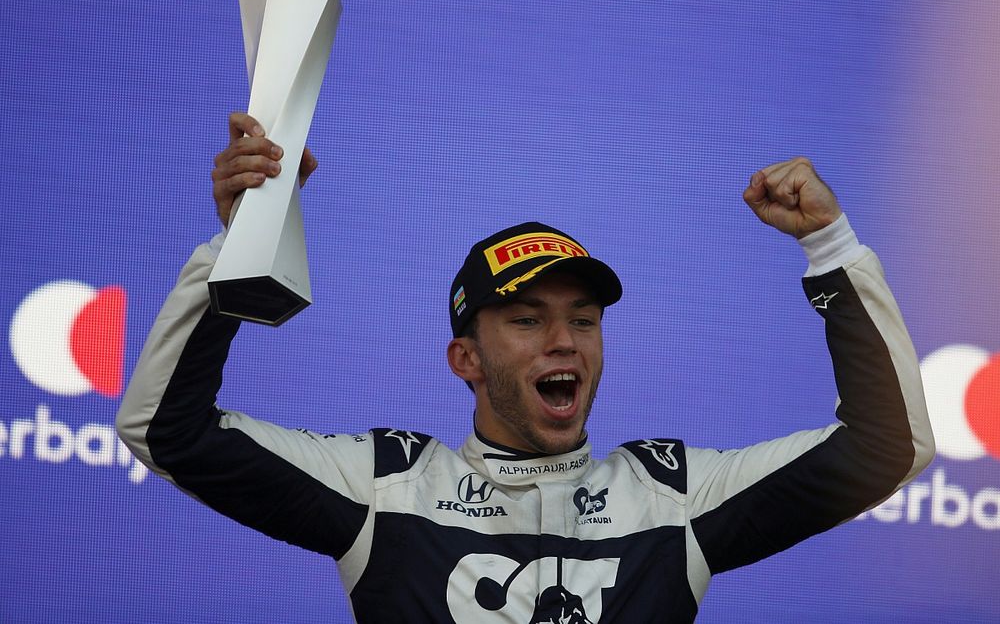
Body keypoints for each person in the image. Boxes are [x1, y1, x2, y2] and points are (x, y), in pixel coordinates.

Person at [117, 113, 934, 623]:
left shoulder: (672, 497)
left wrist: (830, 247)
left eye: (584, 318)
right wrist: (241, 246)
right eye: (527, 318)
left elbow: (884, 447)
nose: (565, 340)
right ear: (464, 358)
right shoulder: (384, 487)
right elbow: (169, 430)